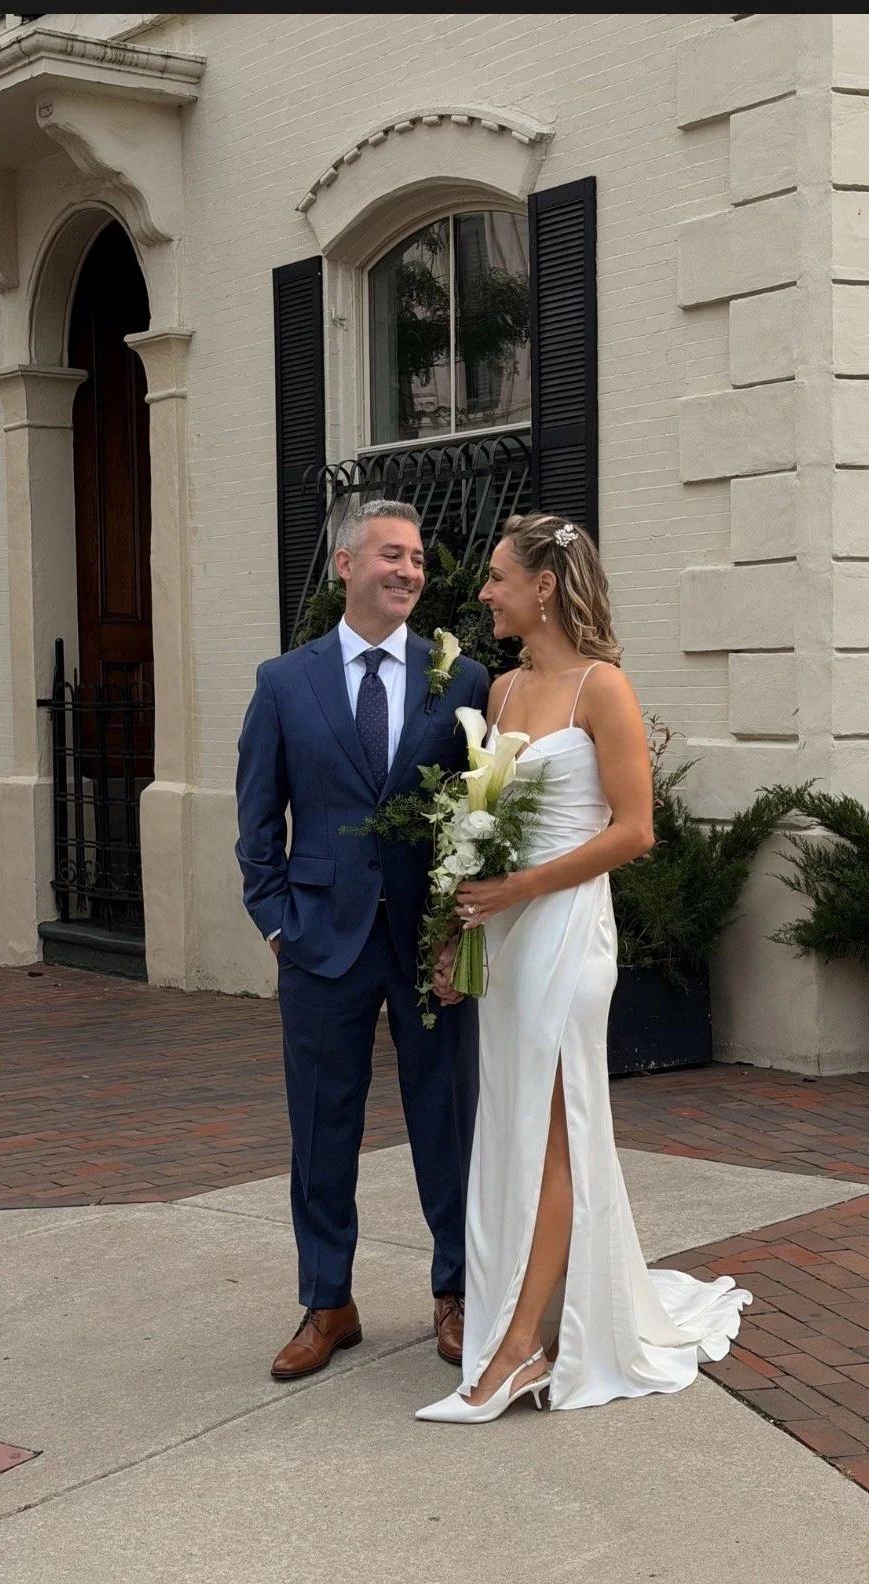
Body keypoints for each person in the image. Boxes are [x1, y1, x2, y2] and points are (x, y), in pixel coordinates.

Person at [416, 511, 751, 1423]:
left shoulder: (604, 688)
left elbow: (634, 830)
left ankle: (522, 1349)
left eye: (497, 576)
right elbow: (479, 830)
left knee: (556, 1130)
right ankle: (523, 1318)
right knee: (512, 1126)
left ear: (544, 586)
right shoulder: (501, 691)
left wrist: (520, 886)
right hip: (506, 938)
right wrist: (456, 933)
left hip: (567, 933)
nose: (484, 591)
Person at [237, 499, 490, 1381]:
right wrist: (279, 924)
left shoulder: (462, 679)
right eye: (392, 554)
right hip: (320, 942)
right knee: (321, 1125)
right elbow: (256, 822)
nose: (410, 570)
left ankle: (456, 1291)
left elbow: (482, 812)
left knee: (447, 1119)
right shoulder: (284, 682)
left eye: (417, 558)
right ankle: (327, 1302)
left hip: (430, 944)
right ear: (346, 564)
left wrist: (462, 933)